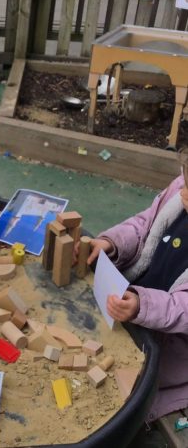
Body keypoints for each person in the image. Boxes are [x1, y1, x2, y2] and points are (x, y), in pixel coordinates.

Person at [83, 170, 188, 423]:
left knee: (120, 384)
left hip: (173, 344)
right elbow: (145, 224)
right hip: (134, 304)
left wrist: (143, 306)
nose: (184, 194)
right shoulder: (179, 189)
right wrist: (111, 243)